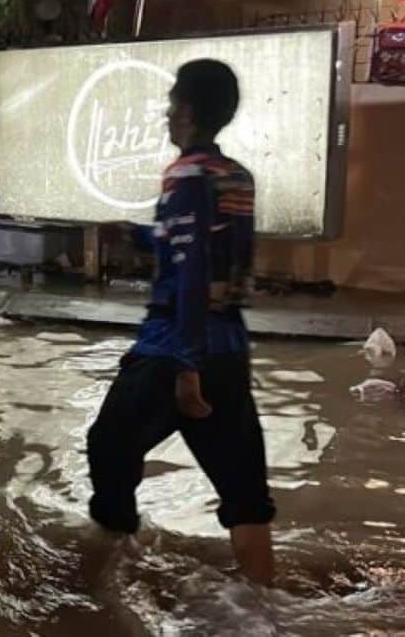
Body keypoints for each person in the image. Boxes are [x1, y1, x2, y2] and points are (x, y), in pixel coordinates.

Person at [86, 59, 275, 585]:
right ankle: (264, 601)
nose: (168, 113)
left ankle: (108, 581)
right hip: (230, 350)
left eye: (173, 103)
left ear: (187, 110)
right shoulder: (235, 175)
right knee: (245, 493)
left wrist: (185, 367)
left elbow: (192, 271)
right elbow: (216, 254)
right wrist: (137, 235)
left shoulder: (186, 174)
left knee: (109, 447)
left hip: (174, 348)